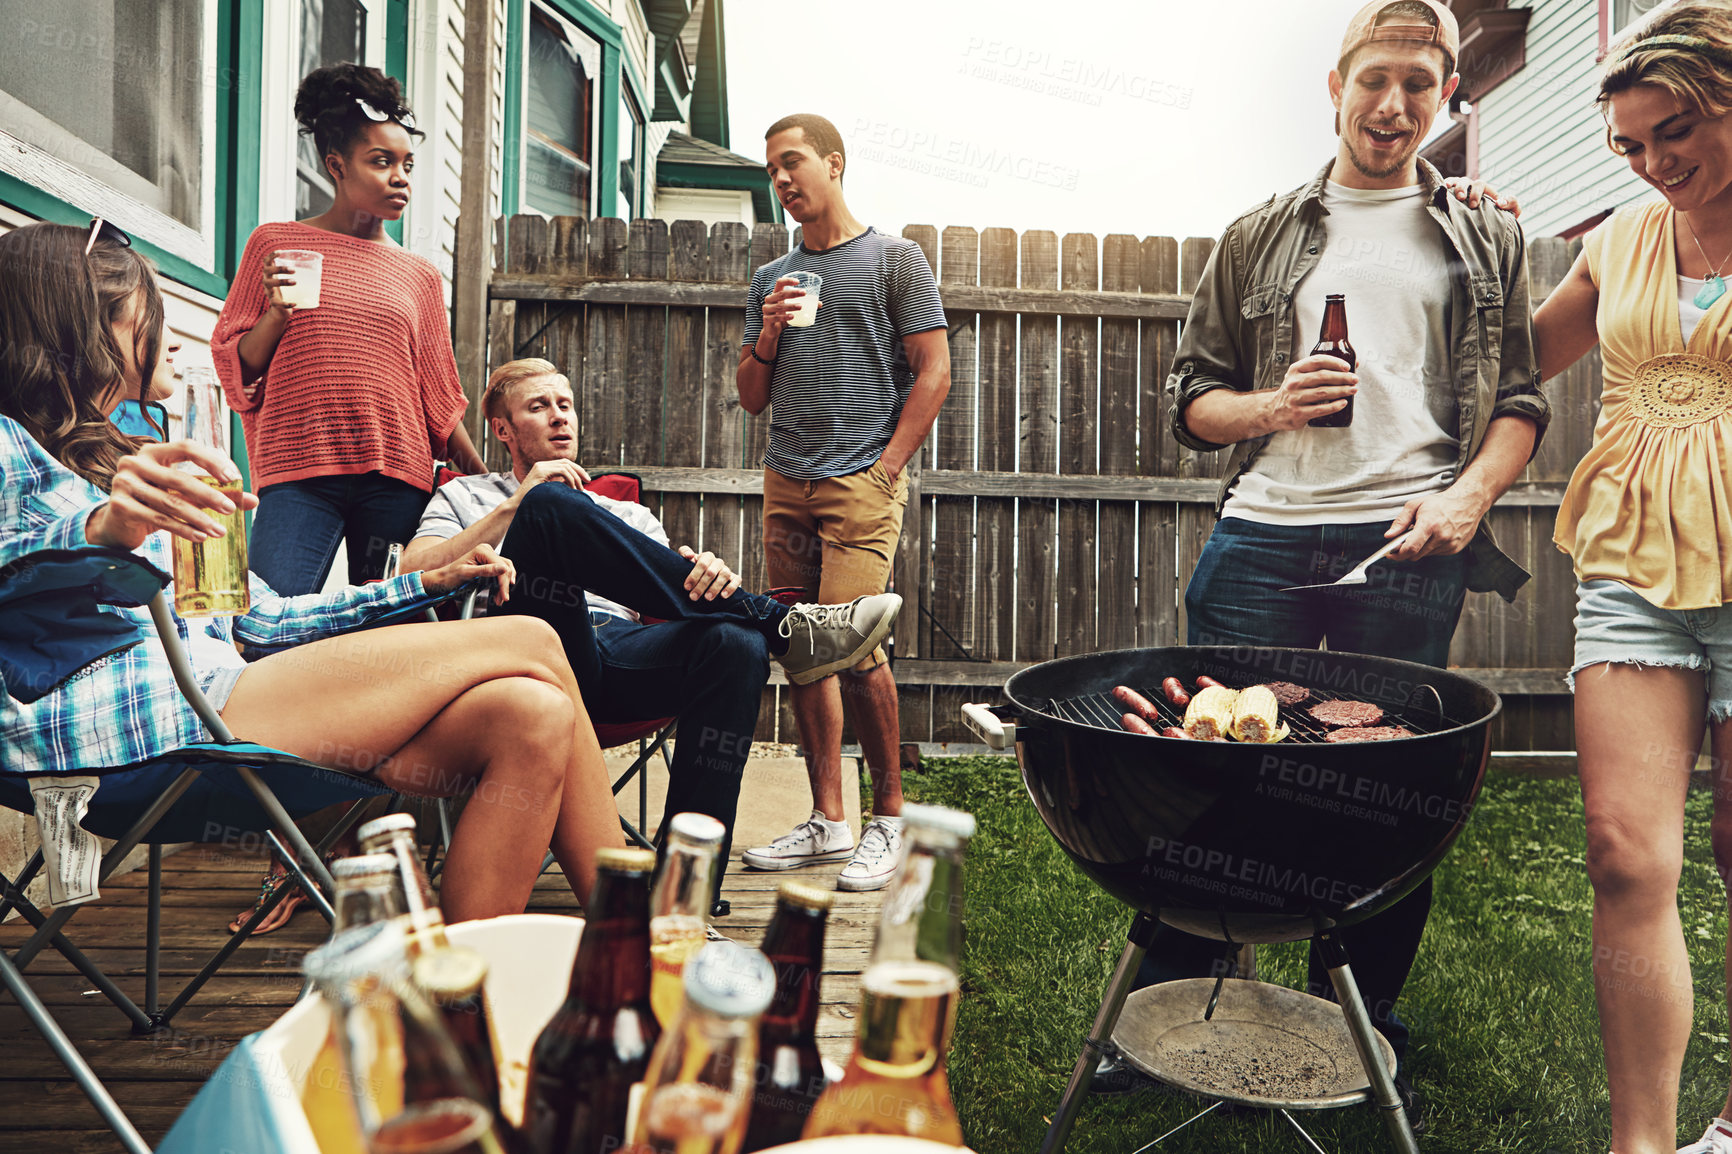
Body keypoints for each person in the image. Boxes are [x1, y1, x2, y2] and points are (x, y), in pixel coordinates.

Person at [1105, 0, 1550, 1100]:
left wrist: (1465, 500)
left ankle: (1358, 1017)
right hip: (1261, 535)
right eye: (1374, 79)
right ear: (1336, 84)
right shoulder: (1260, 231)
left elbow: (1520, 401)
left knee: (1385, 787)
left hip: (1406, 543)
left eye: (1418, 83)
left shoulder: (1484, 233)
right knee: (1207, 765)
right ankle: (1173, 1006)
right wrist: (1268, 406)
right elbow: (1189, 402)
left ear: (1447, 92)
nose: (1392, 105)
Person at [0, 221, 622, 921]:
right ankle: (644, 934)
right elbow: (20, 556)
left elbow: (260, 618)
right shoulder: (13, 447)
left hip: (217, 700)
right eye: (152, 321)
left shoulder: (150, 460)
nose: (175, 341)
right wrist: (101, 533)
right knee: (533, 639)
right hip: (123, 735)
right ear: (79, 332)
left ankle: (461, 990)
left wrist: (421, 585)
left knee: (530, 714)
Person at [398, 358, 903, 900]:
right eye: (539, 407)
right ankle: (782, 624)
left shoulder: (626, 514)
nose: (559, 419)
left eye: (565, 405)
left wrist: (707, 581)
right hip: (521, 655)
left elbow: (661, 605)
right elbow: (411, 571)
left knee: (735, 643)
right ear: (503, 430)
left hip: (610, 657)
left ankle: (683, 893)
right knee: (548, 506)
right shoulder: (464, 496)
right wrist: (514, 509)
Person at [1529, 5, 1732, 1152]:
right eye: (1632, 145)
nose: (1656, 163)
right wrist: (1467, 237)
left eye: (1678, 130)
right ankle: (1638, 1145)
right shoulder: (1619, 242)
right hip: (1632, 567)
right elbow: (1516, 351)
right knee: (1624, 851)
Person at [735, 114, 951, 892]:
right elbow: (751, 397)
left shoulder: (896, 261)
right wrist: (764, 331)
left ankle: (887, 820)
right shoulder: (773, 278)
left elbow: (934, 370)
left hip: (860, 479)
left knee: (855, 651)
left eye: (793, 163)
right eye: (772, 171)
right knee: (799, 646)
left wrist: (889, 467)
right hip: (786, 478)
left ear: (834, 163)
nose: (783, 180)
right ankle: (830, 819)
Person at [210, 62, 487, 598]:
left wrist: (483, 477)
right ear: (336, 166)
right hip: (299, 466)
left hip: (396, 477)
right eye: (381, 162)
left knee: (392, 617)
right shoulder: (276, 244)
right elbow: (237, 366)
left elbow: (438, 396)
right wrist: (275, 313)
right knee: (269, 618)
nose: (400, 177)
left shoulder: (420, 276)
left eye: (407, 163)